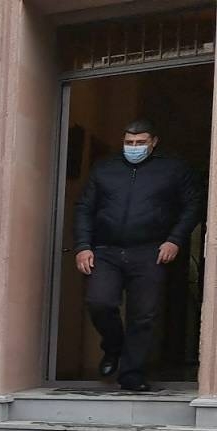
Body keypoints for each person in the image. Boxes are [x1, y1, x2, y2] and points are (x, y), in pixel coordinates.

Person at [73, 119, 203, 392]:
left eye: (140, 142)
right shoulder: (105, 168)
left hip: (150, 251)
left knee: (143, 315)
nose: (134, 147)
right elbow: (84, 207)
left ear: (153, 142)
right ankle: (113, 346)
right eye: (129, 142)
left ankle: (132, 374)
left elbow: (192, 205)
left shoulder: (172, 169)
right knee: (99, 303)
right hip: (105, 250)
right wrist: (83, 245)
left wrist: (174, 240)